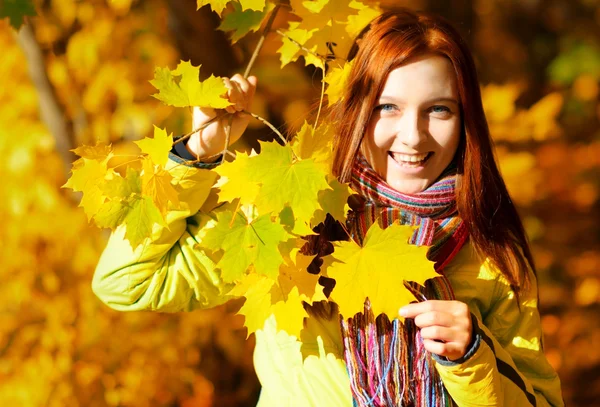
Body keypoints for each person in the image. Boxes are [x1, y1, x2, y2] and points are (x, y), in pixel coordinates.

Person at [92, 8, 564, 407]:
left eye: (438, 109)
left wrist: (473, 360)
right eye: (388, 108)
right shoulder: (291, 215)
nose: (414, 135)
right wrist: (194, 155)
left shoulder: (492, 252)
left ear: (465, 120)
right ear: (358, 111)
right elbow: (126, 283)